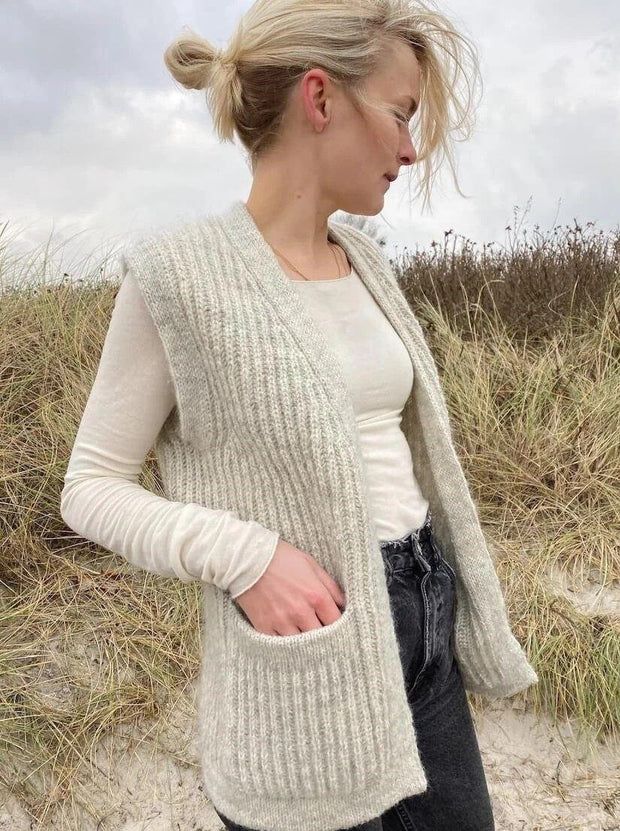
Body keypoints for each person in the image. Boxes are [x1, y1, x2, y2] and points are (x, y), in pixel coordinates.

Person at [60, 1, 538, 829]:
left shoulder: (366, 261)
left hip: (425, 616)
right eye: (401, 112)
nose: (410, 148)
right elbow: (90, 485)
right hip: (304, 655)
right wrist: (247, 557)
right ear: (321, 99)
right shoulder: (177, 276)